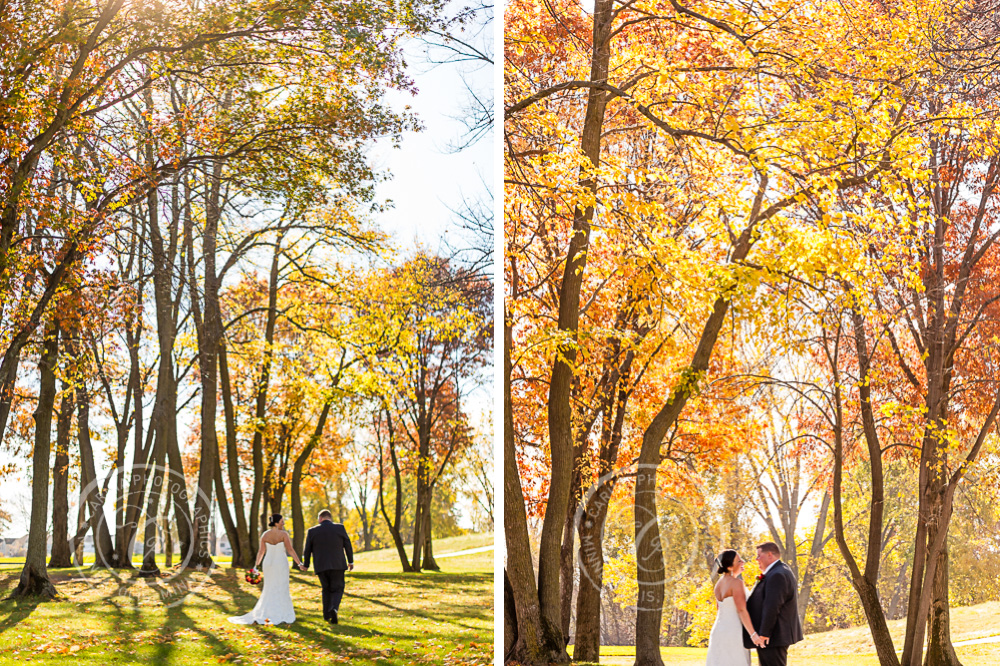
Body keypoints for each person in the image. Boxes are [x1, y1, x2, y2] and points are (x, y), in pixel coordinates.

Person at [229, 514, 304, 625]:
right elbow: (291, 550)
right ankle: (281, 612)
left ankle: (268, 611)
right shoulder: (283, 534)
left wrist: (256, 566)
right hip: (280, 562)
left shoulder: (265, 535)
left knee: (269, 587)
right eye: (282, 521)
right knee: (281, 586)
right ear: (276, 522)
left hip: (268, 563)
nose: (283, 523)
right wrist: (299, 563)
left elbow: (261, 552)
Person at [741, 541, 804, 666]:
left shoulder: (777, 575)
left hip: (773, 635)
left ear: (770, 555)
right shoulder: (778, 571)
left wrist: (764, 633)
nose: (756, 559)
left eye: (759, 555)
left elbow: (773, 606)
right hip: (773, 635)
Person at [301, 509, 354, 624]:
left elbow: (307, 550)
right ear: (330, 517)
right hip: (338, 564)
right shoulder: (339, 528)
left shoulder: (312, 531)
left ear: (320, 519)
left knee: (326, 589)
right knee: (338, 588)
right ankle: (334, 608)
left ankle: (326, 615)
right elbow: (347, 545)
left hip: (321, 565)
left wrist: (306, 565)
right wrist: (350, 561)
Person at [705, 549, 756, 666]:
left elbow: (720, 609)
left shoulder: (719, 584)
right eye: (739, 561)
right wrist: (753, 634)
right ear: (729, 567)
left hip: (719, 630)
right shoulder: (736, 583)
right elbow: (741, 610)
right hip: (734, 632)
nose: (743, 562)